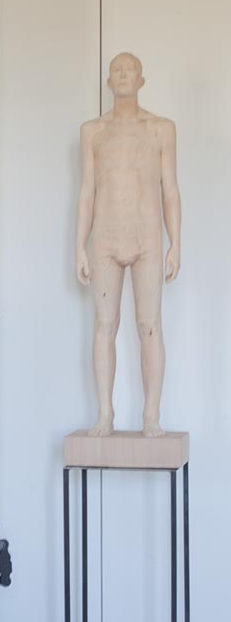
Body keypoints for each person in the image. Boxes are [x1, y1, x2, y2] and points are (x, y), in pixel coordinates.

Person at [75, 52, 181, 438]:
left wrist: (175, 244)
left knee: (149, 324)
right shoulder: (93, 132)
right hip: (105, 235)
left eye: (130, 69)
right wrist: (79, 245)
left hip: (147, 235)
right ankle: (105, 414)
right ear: (108, 82)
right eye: (117, 70)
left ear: (141, 80)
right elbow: (88, 191)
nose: (123, 74)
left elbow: (170, 190)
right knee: (105, 324)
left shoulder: (161, 129)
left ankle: (151, 415)